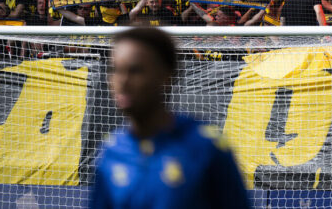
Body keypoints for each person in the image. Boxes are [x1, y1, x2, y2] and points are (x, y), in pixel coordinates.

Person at [89, 27, 250, 209]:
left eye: (135, 70)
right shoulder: (111, 151)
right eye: (115, 70)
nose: (123, 81)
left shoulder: (206, 147)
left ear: (166, 75)